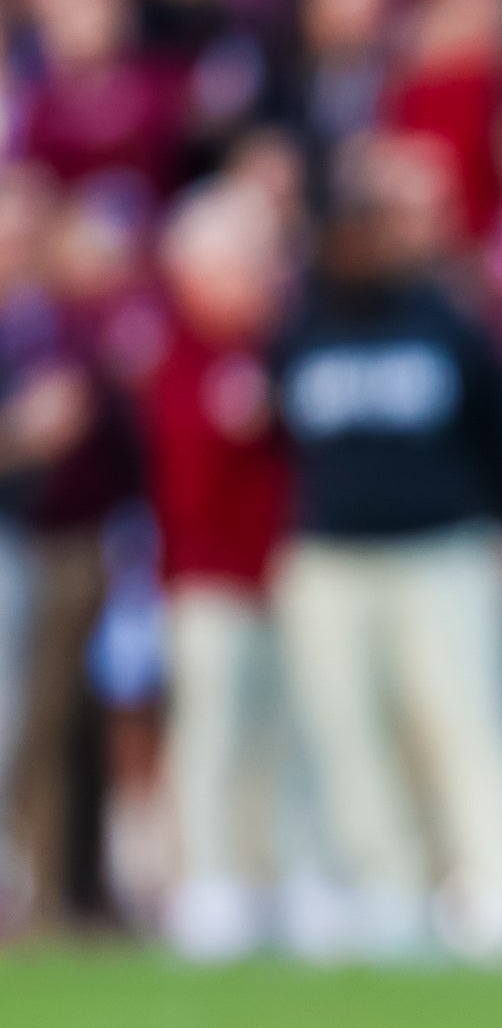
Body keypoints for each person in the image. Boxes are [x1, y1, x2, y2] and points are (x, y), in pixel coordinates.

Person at [271, 137, 502, 959]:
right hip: (332, 557)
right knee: (349, 734)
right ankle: (386, 892)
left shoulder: (446, 319)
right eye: (351, 229)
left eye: (378, 227)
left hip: (444, 550)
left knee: (471, 723)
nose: (366, 244)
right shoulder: (299, 327)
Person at [145, 179, 293, 960]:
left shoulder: (278, 347)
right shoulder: (176, 354)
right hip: (208, 579)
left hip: (284, 575)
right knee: (211, 736)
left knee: (286, 739)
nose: (264, 278)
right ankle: (206, 881)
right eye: (247, 263)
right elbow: (190, 481)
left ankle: (275, 879)